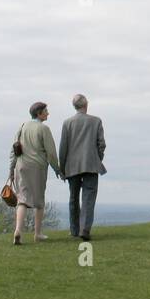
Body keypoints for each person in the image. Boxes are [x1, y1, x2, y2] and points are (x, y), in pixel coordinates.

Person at [8, 101, 62, 245]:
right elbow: (51, 152)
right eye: (46, 111)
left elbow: (14, 149)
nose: (48, 113)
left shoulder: (22, 127)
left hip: (21, 166)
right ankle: (37, 234)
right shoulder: (44, 129)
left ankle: (18, 230)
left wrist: (11, 170)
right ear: (39, 113)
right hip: (37, 167)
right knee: (38, 201)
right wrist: (57, 169)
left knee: (22, 200)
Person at [58, 93, 106, 241]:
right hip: (91, 164)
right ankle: (84, 229)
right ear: (86, 105)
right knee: (88, 198)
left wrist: (62, 167)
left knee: (73, 198)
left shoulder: (67, 123)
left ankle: (74, 229)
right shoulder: (96, 121)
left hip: (72, 166)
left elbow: (63, 147)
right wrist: (98, 158)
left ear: (75, 106)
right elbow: (101, 144)